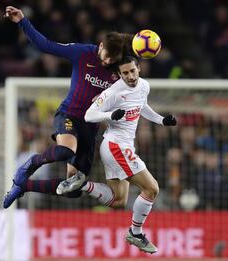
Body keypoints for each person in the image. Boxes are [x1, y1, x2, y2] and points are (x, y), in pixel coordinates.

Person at [3, 6, 132, 208]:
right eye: (106, 55)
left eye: (112, 59)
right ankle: (29, 164)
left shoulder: (121, 71)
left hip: (90, 127)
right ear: (100, 46)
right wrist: (22, 21)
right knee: (64, 150)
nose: (107, 61)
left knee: (72, 190)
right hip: (69, 114)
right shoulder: (83, 53)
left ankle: (24, 186)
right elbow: (45, 45)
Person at [57, 56, 177, 253]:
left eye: (132, 71)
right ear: (119, 75)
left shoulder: (144, 86)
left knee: (119, 200)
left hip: (121, 147)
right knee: (152, 189)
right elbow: (89, 114)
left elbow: (142, 107)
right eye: (125, 73)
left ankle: (82, 183)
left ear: (139, 68)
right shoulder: (113, 92)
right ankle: (135, 233)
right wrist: (109, 115)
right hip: (116, 146)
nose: (130, 76)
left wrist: (162, 121)